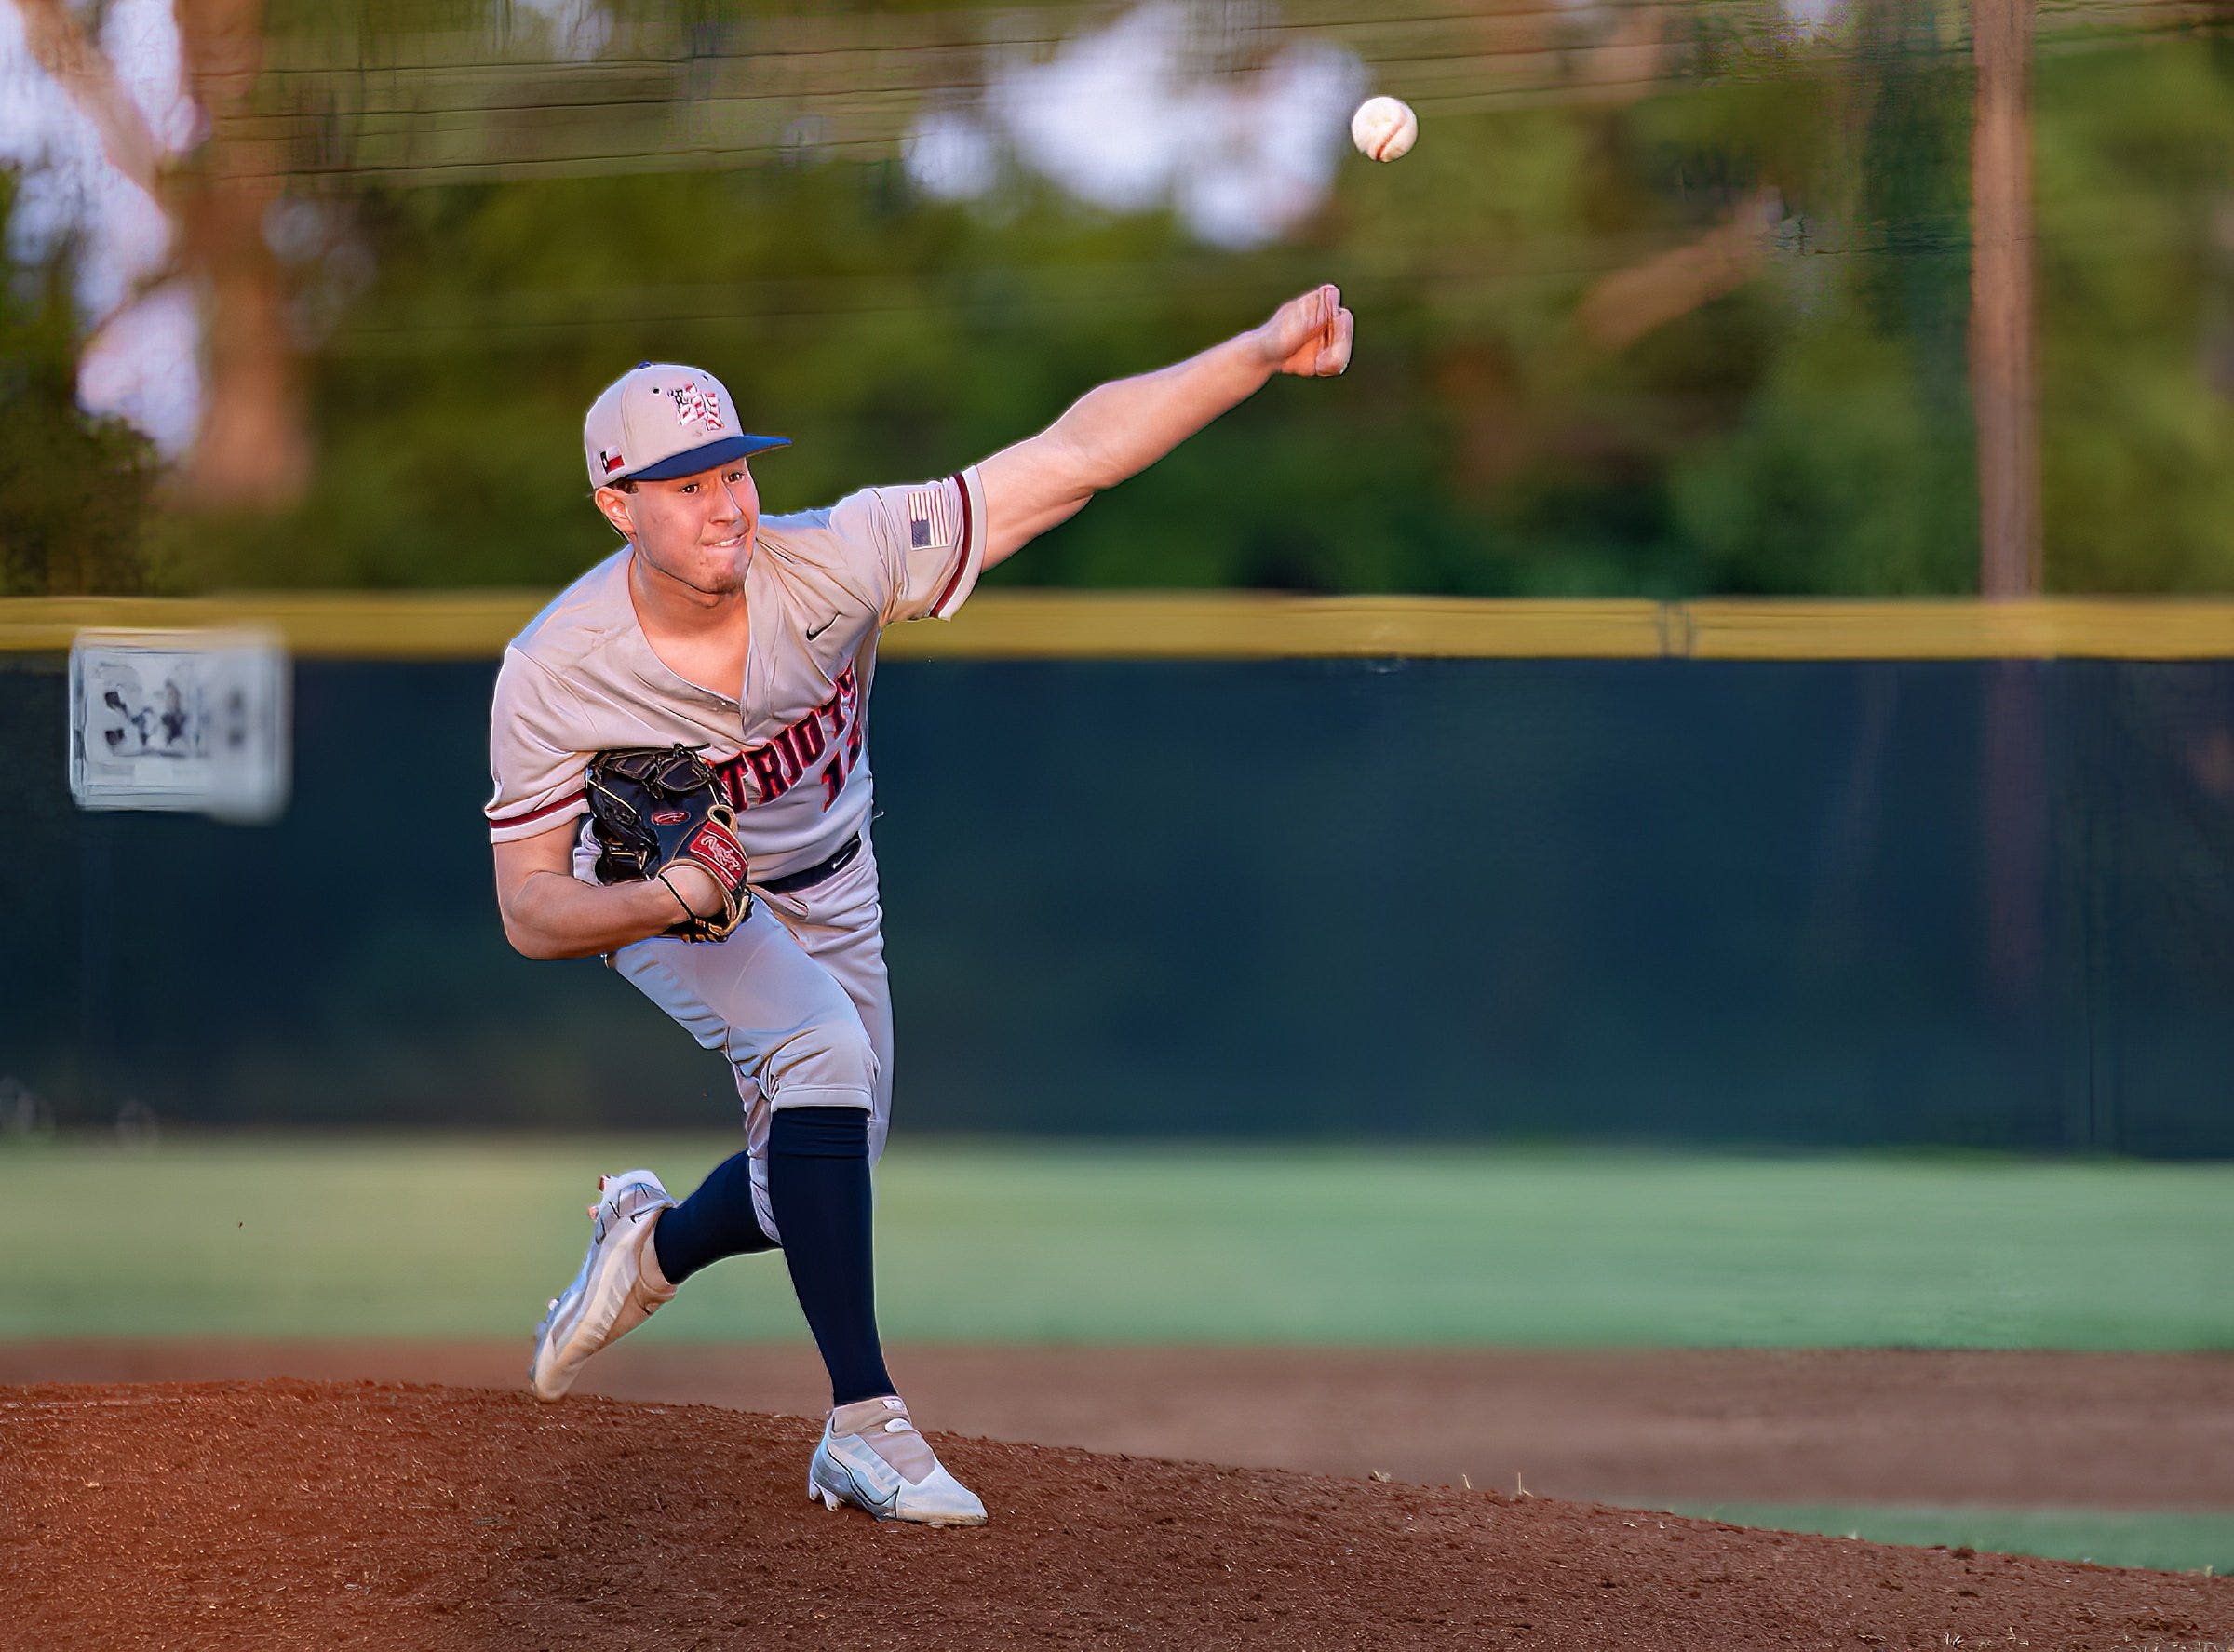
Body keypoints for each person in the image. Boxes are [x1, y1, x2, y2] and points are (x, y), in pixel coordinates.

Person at [485, 285, 1356, 1526]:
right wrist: (671, 890)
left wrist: (1259, 354)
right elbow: (529, 909)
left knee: (817, 1180)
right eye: (684, 483)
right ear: (616, 506)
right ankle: (864, 1424)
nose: (726, 499)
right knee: (819, 1053)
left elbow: (1072, 458)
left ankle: (650, 1246)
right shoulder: (557, 668)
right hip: (673, 908)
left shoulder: (836, 557)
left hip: (836, 884)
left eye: (731, 467)